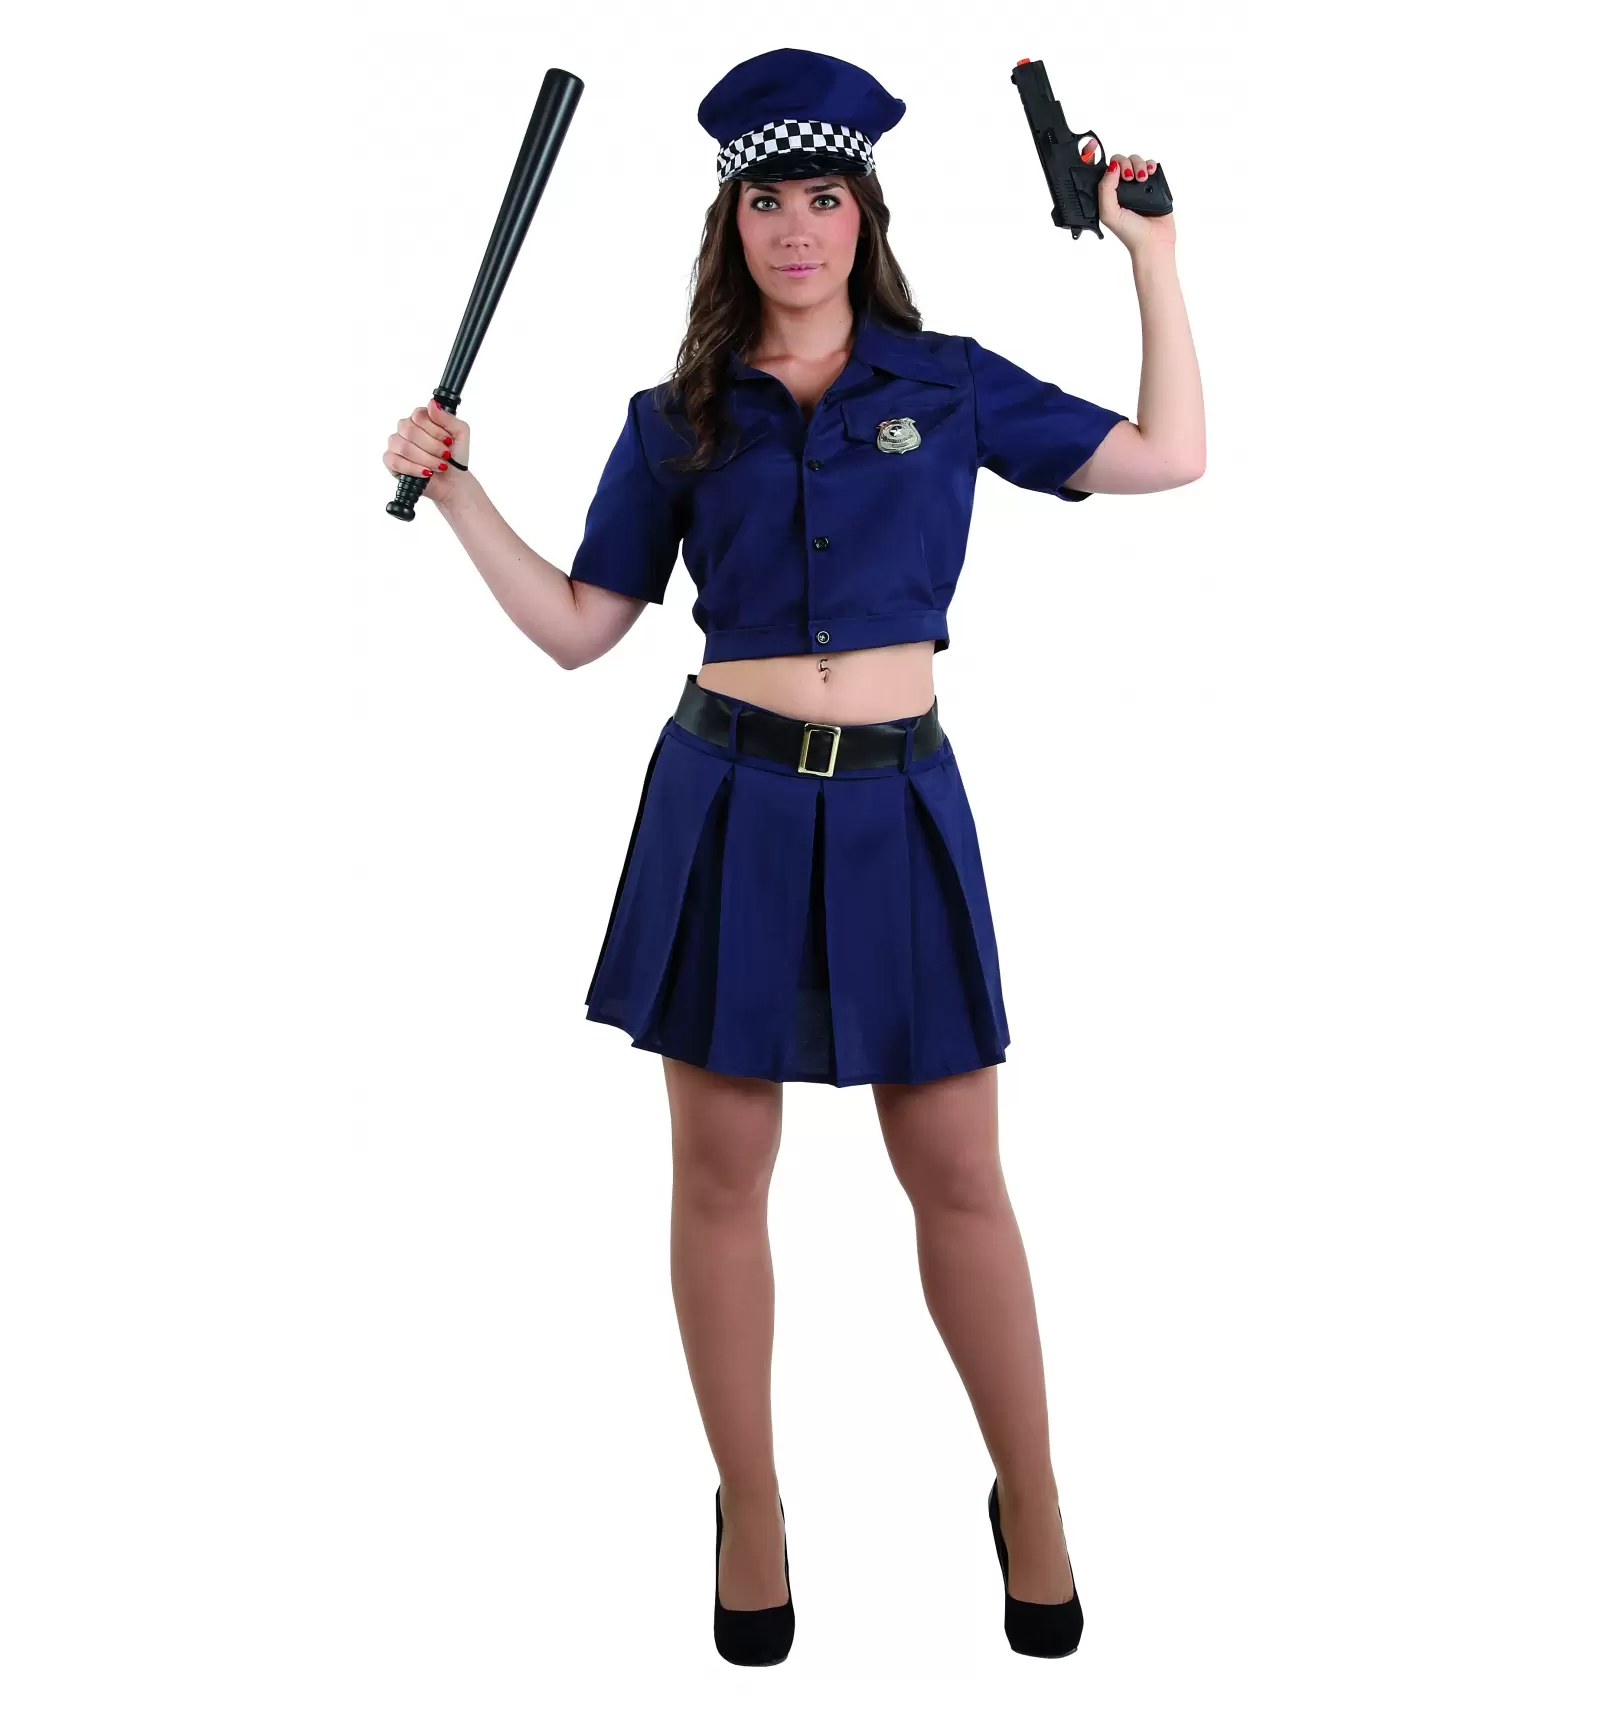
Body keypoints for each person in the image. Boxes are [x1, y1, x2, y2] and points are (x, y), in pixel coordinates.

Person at [381, 45, 1204, 1666]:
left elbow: (1170, 454)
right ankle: (750, 1506)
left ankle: (1033, 1493)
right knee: (718, 1175)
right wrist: (460, 492)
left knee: (958, 1172)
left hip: (898, 806)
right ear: (732, 222)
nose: (800, 228)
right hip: (727, 806)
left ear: (863, 212)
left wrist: (1152, 258)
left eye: (826, 196)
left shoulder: (947, 384)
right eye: (770, 201)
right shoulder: (676, 420)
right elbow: (580, 629)